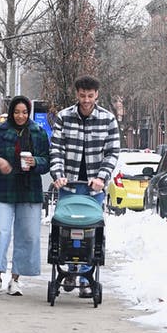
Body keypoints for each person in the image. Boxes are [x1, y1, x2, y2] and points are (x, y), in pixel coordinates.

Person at [50, 75, 120, 296]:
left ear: (97, 95)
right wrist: (58, 175)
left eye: (90, 96)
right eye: (82, 96)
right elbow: (56, 149)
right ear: (77, 94)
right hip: (69, 185)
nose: (86, 100)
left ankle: (87, 275)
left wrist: (101, 178)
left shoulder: (107, 119)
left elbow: (112, 152)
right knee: (66, 231)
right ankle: (70, 271)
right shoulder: (63, 117)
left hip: (93, 188)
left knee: (91, 232)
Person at [0, 95, 50, 296]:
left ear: (29, 113)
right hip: (4, 188)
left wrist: (36, 162)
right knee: (1, 231)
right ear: (11, 112)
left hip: (29, 189)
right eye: (17, 112)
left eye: (25, 112)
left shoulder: (38, 132)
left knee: (27, 235)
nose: (20, 116)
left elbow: (47, 161)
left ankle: (16, 278)